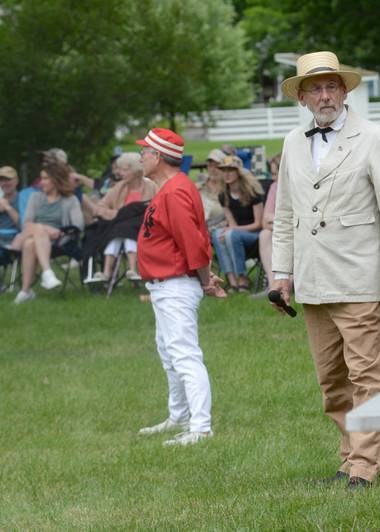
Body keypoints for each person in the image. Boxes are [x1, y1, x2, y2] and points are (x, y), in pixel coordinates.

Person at [271, 51, 380, 489]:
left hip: (358, 275)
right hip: (313, 279)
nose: (325, 94)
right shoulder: (294, 142)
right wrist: (281, 275)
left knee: (367, 374)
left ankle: (365, 467)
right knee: (332, 381)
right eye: (315, 87)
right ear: (302, 97)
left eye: (332, 85)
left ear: (345, 90)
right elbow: (284, 215)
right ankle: (348, 456)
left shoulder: (374, 138)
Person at [135, 127, 226, 447]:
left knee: (184, 355)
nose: (141, 158)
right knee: (169, 353)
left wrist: (205, 280)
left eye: (144, 152)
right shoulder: (170, 188)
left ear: (158, 157)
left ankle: (201, 427)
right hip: (166, 284)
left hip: (175, 283)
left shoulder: (174, 191)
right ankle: (180, 416)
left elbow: (192, 242)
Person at [10, 161, 84, 304]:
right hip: (34, 234)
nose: (41, 182)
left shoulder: (70, 200)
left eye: (45, 178)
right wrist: (45, 229)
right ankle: (47, 273)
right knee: (37, 231)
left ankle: (26, 291)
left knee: (30, 243)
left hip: (57, 240)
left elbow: (78, 225)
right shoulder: (35, 197)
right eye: (41, 178)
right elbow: (27, 223)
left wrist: (58, 231)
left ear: (56, 180)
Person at [84, 152, 158, 282]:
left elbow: (158, 208)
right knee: (121, 230)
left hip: (144, 228)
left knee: (124, 229)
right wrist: (114, 214)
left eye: (124, 170)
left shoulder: (151, 186)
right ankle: (126, 270)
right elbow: (100, 207)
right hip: (120, 228)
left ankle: (110, 272)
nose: (120, 173)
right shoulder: (119, 187)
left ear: (135, 170)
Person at [211, 155, 264, 292]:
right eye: (224, 170)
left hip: (255, 236)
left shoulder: (252, 193)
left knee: (231, 234)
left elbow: (258, 224)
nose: (227, 174)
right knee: (217, 234)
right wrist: (230, 230)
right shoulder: (224, 195)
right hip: (236, 235)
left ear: (238, 172)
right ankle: (232, 281)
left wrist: (233, 230)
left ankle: (243, 278)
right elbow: (231, 222)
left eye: (231, 170)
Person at [251, 154, 281, 300]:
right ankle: (273, 286)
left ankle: (290, 283)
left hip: (301, 232)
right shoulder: (274, 187)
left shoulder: (301, 185)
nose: (272, 178)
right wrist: (283, 223)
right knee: (264, 234)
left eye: (275, 174)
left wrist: (277, 221)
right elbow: (265, 221)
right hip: (281, 231)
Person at [0, 166, 21, 266]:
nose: (5, 183)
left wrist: (8, 208)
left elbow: (25, 226)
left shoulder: (24, 199)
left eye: (8, 179)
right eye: (2, 180)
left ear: (16, 180)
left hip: (14, 242)